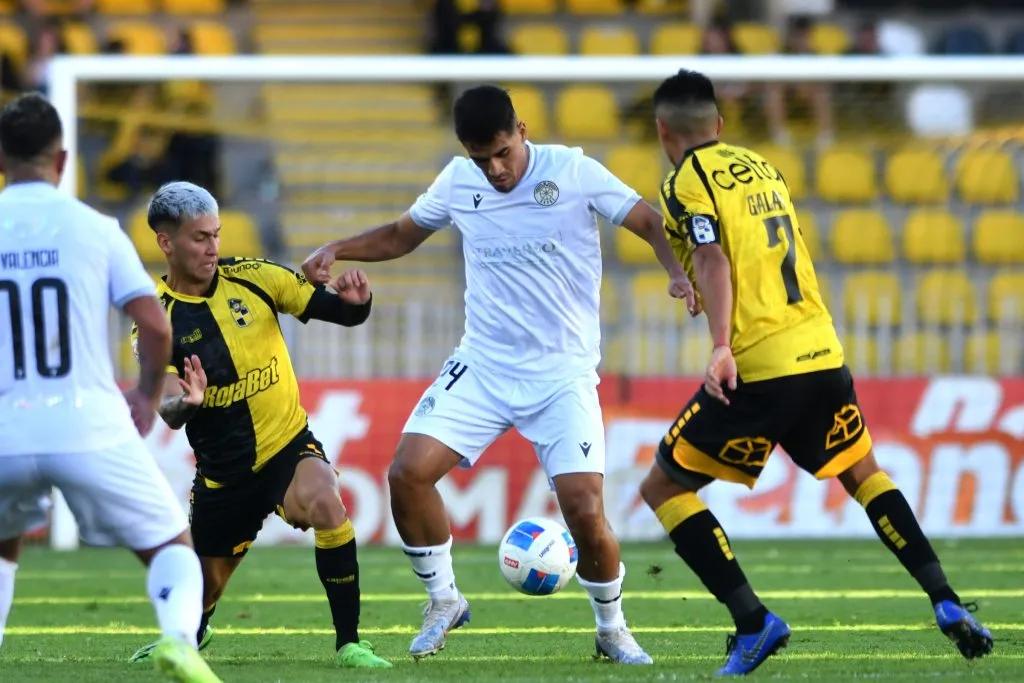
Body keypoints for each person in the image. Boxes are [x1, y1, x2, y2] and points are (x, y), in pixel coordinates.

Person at [302, 84, 697, 664]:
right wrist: (338, 248)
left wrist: (677, 274)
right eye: (480, 157)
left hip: (562, 375)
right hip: (483, 365)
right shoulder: (460, 180)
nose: (494, 169)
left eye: (502, 153)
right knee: (406, 474)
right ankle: (444, 600)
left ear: (522, 131)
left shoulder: (572, 170)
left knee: (585, 511)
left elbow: (646, 220)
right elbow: (401, 234)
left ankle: (612, 629)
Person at [637, 70, 994, 676]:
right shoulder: (763, 168)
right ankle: (946, 600)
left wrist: (721, 345)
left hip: (761, 365)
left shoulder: (684, 182)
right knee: (865, 475)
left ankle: (754, 623)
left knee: (664, 489)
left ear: (661, 129)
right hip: (823, 353)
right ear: (720, 126)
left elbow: (712, 256)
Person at [0, 94, 221, 682]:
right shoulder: (93, 228)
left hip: (3, 427)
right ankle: (178, 639)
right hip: (85, 420)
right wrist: (147, 396)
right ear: (63, 158)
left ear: (1, 157)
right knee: (172, 542)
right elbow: (154, 323)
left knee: (1, 545)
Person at [125, 182, 391, 669]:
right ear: (166, 243)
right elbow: (166, 405)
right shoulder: (156, 320)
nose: (213, 248)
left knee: (328, 504)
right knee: (203, 592)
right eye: (199, 238)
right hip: (223, 477)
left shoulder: (255, 278)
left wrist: (358, 302)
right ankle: (191, 635)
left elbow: (338, 313)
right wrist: (189, 402)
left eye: (217, 234)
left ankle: (350, 643)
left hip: (287, 447)